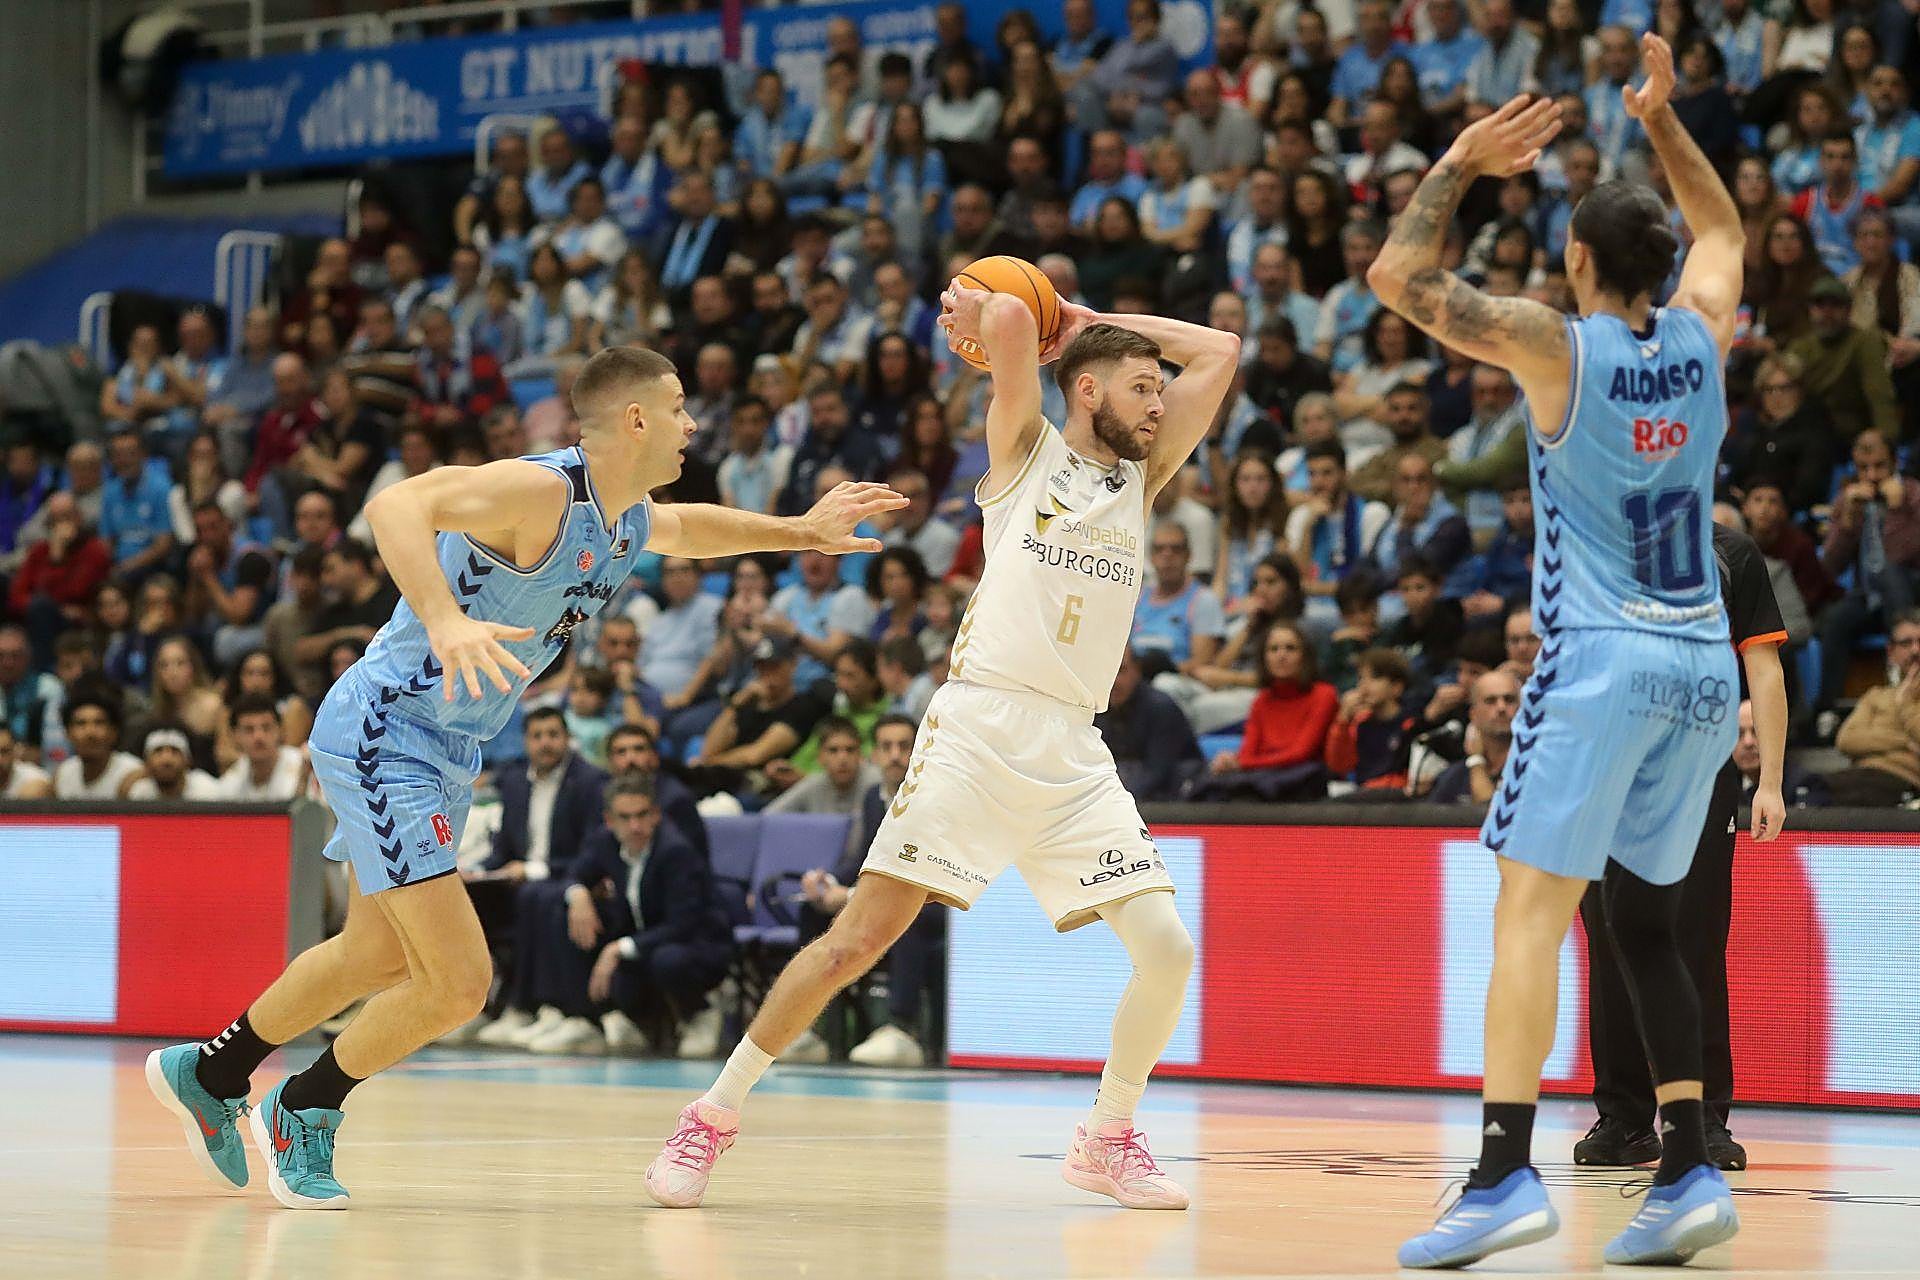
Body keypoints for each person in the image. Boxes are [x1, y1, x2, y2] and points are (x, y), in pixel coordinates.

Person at [143, 345, 901, 1209]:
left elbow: (689, 529)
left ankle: (210, 1071)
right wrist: (442, 618)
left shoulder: (623, 517)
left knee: (375, 952)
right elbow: (398, 503)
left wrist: (801, 530)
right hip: (388, 732)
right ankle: (304, 1105)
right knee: (459, 983)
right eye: (681, 407)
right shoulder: (543, 491)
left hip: (450, 748)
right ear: (636, 419)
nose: (695, 423)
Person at [647, 270, 1238, 1209]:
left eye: (1160, 390)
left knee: (1167, 948)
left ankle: (1108, 1136)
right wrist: (1044, 321)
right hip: (979, 725)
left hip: (1073, 749)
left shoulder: (1144, 479)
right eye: (1140, 386)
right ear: (1085, 390)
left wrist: (1089, 321)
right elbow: (1006, 310)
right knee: (858, 941)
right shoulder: (1024, 450)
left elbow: (1221, 350)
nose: (1161, 399)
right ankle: (710, 1118)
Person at [1374, 51, 1748, 1267]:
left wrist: (1460, 164)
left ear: (1580, 262)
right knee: (1646, 924)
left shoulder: (1553, 345)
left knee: (1529, 915)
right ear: (1662, 265)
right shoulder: (1704, 334)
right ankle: (1690, 1162)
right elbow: (1725, 222)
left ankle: (1499, 1171)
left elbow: (1399, 275)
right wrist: (1660, 119)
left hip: (1600, 657)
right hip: (1703, 668)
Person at [1576, 520, 1789, 1175]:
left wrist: (1771, 782)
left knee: (1691, 941)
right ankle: (1624, 1119)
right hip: (1603, 769)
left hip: (1695, 771)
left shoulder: (1730, 552)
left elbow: (1764, 666)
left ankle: (1699, 1121)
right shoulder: (1592, 542)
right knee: (1607, 937)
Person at [220, 693, 308, 800]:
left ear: (280, 730)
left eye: (266, 728)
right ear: (234, 735)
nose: (258, 736)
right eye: (249, 729)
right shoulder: (234, 776)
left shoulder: (303, 766)